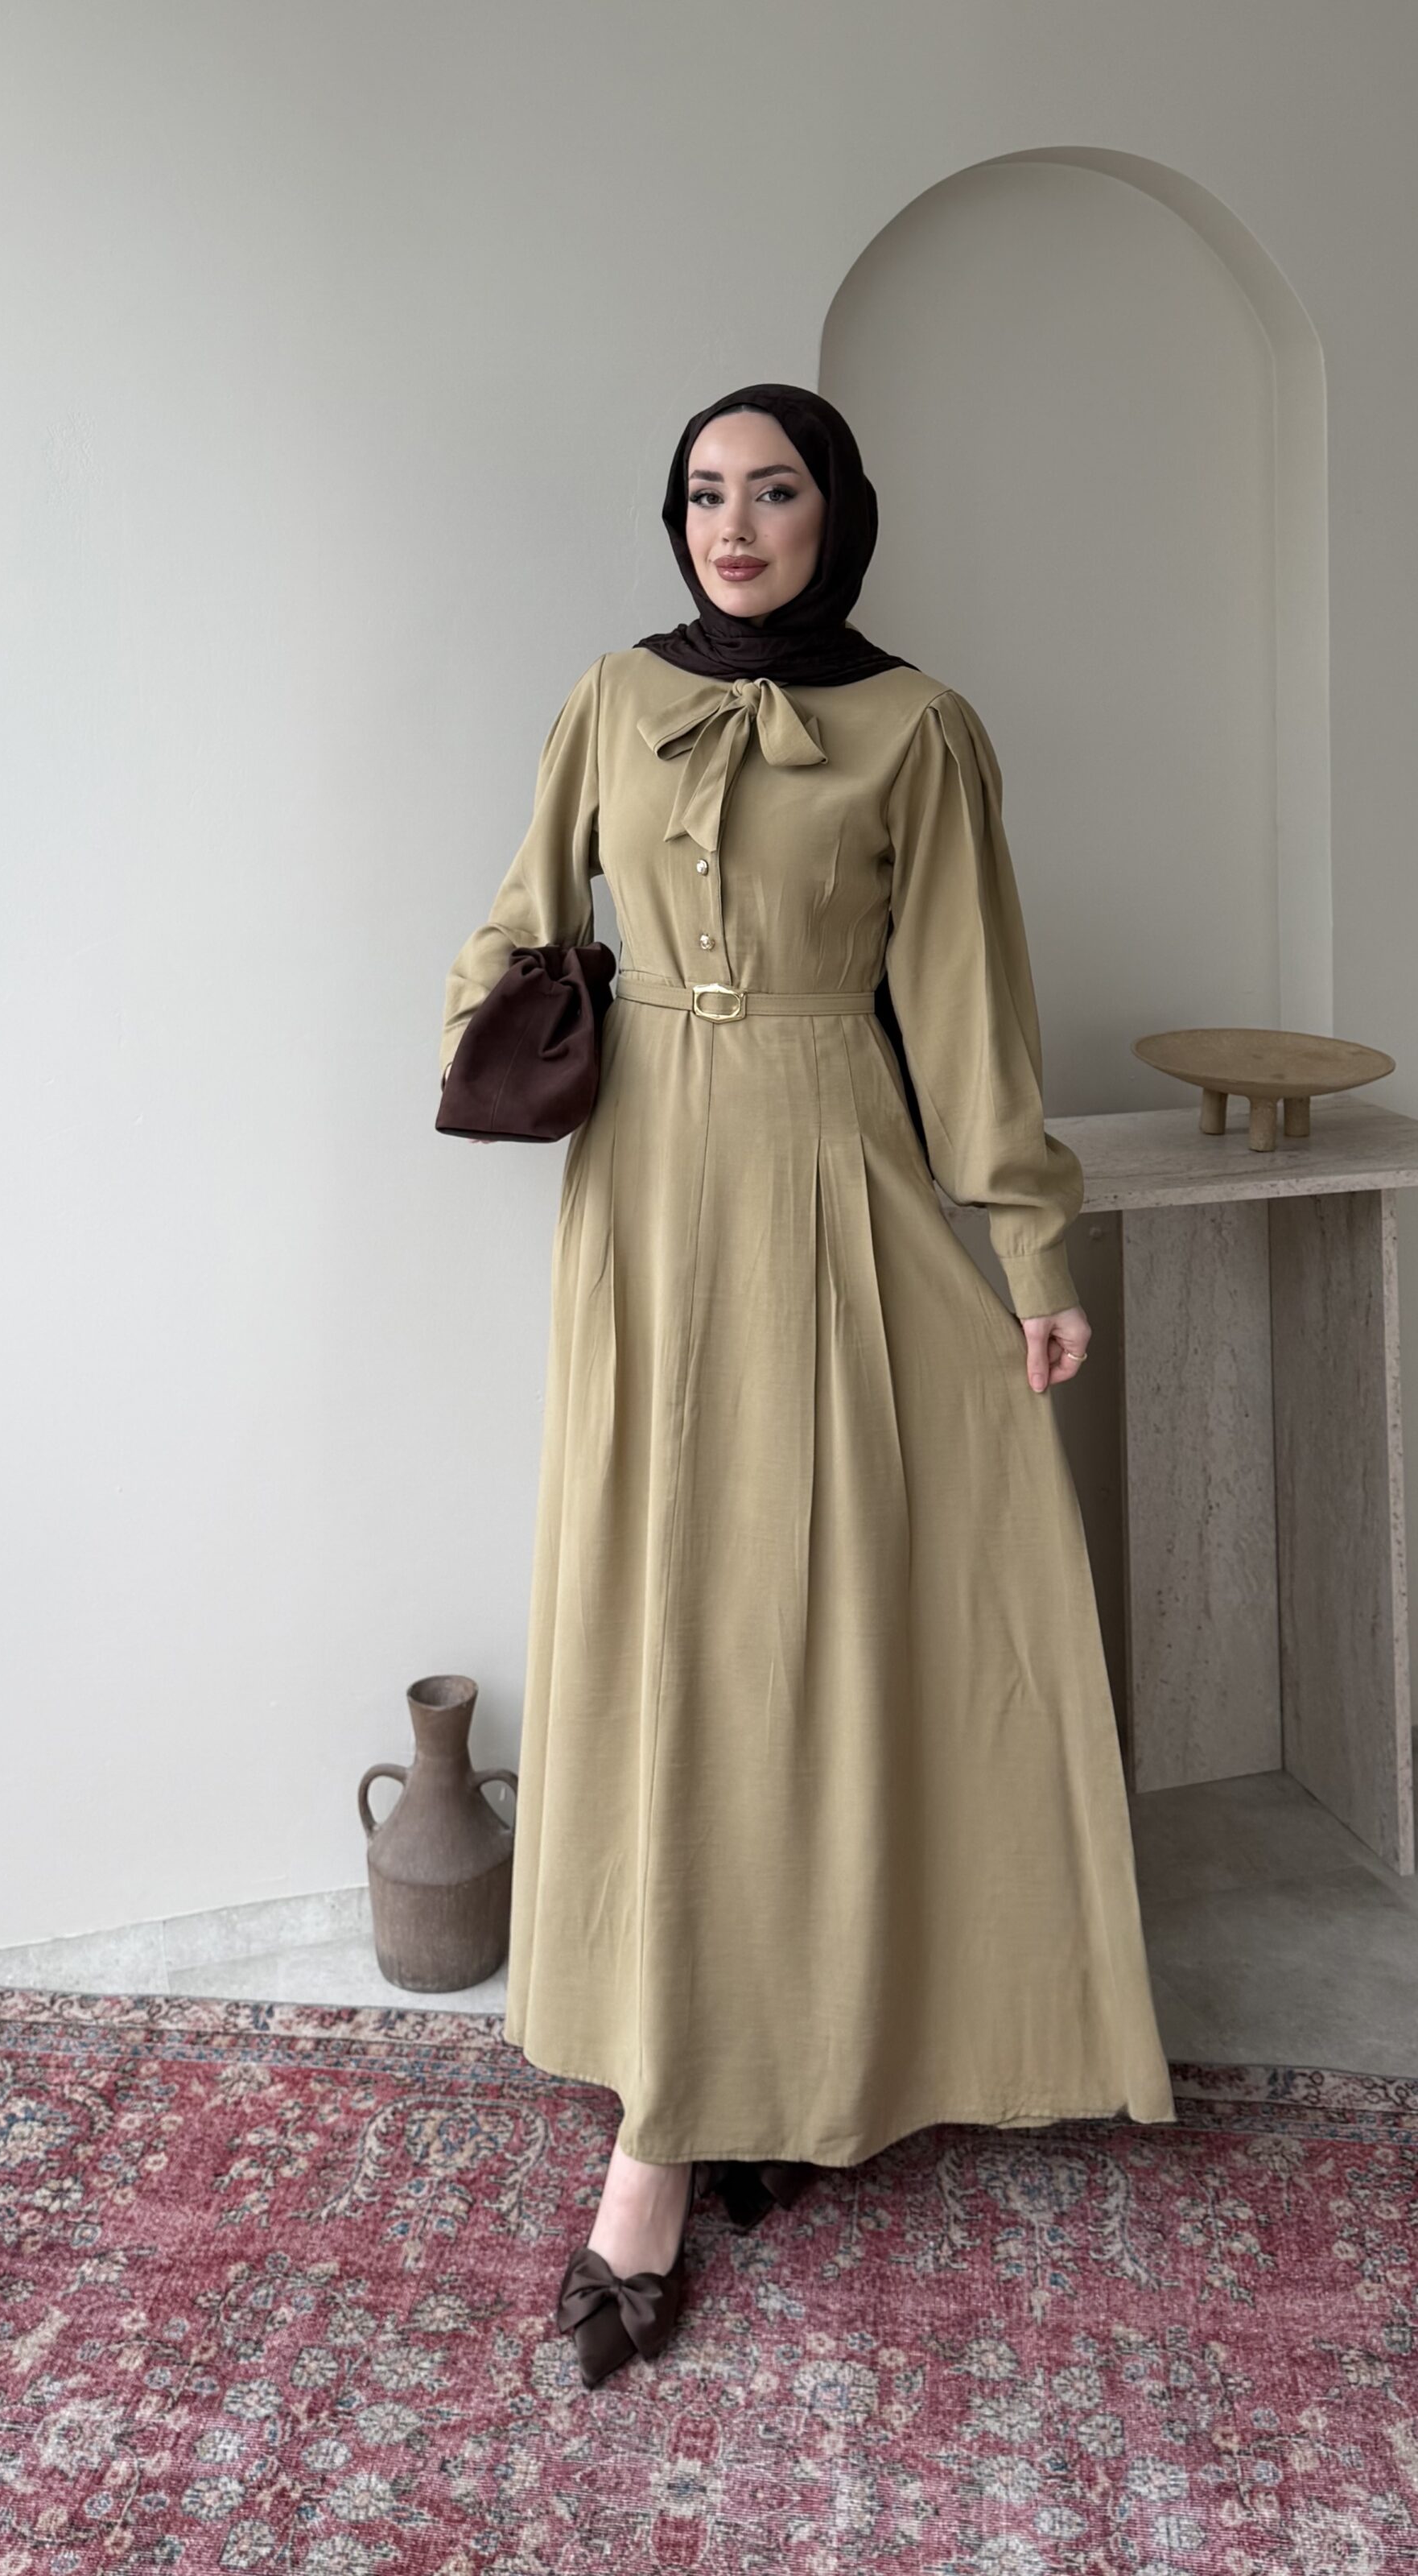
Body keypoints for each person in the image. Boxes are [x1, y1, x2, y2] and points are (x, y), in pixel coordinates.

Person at [439, 381, 1176, 2389]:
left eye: (775, 490)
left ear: (838, 511)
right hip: (640, 1207)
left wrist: (1030, 1247)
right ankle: (679, 2095)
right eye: (706, 492)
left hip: (833, 1184)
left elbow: (970, 1013)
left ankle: (721, 2098)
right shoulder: (610, 698)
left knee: (810, 1628)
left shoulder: (918, 728)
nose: (736, 523)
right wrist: (505, 1020)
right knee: (661, 1630)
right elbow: (520, 917)